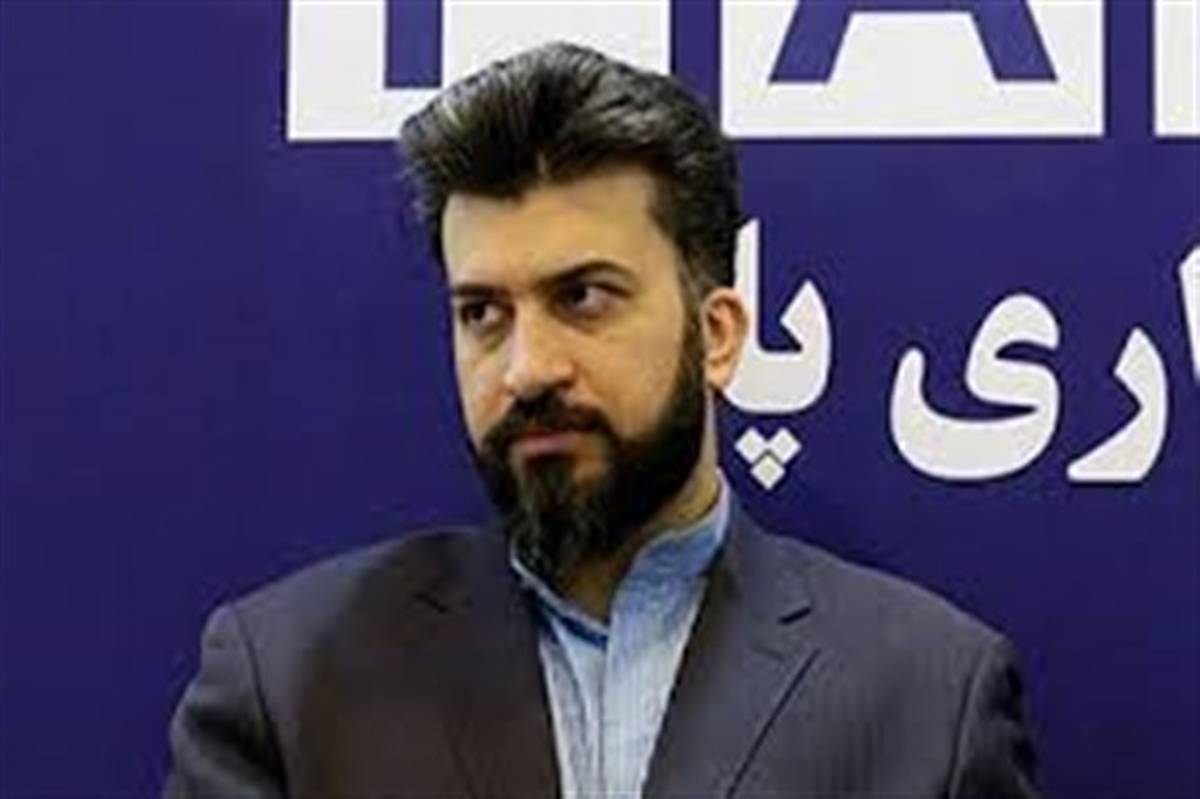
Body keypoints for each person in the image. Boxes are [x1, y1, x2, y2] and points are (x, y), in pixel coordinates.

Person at [164, 42, 1039, 798]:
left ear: (718, 335)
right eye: (483, 313)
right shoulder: (291, 682)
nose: (527, 368)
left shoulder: (929, 697)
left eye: (583, 297)